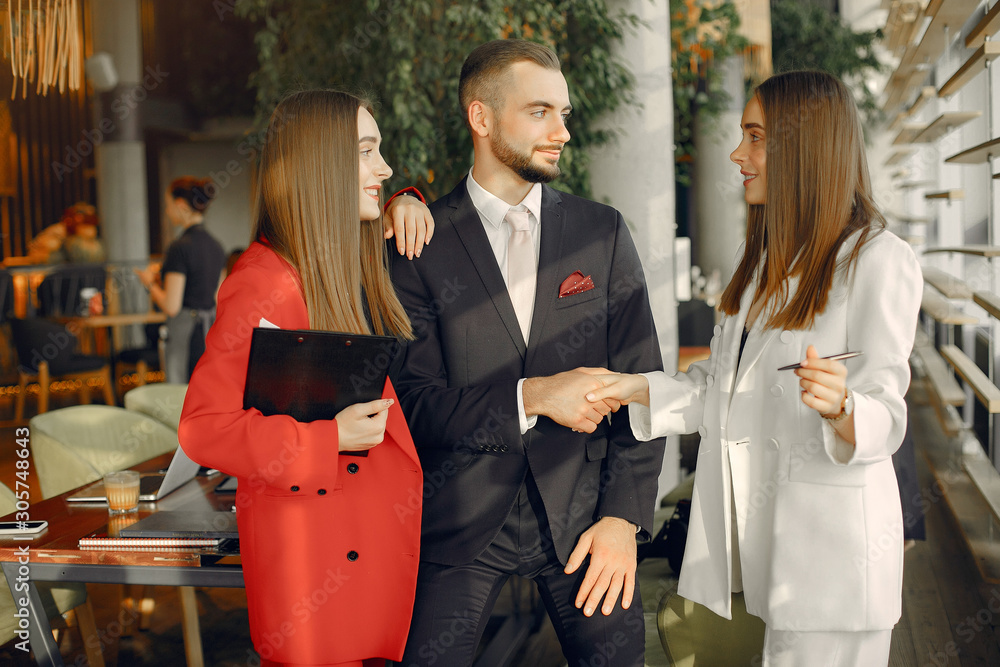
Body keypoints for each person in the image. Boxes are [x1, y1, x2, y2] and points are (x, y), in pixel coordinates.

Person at [585, 70, 921, 666]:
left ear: (805, 147)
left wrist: (844, 406)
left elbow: (888, 417)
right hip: (759, 546)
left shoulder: (878, 260)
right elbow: (719, 388)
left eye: (756, 137)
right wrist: (631, 388)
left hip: (831, 561)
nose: (737, 154)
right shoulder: (761, 259)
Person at [390, 39, 665, 666]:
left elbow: (644, 386)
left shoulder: (601, 231)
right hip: (458, 525)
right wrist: (533, 397)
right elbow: (413, 406)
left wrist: (623, 519)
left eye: (563, 113)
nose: (561, 132)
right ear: (481, 118)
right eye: (540, 112)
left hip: (585, 520)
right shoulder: (418, 241)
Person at [178, 90, 427, 667]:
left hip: (348, 549)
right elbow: (203, 428)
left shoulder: (334, 261)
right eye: (366, 151)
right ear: (320, 165)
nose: (386, 168)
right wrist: (328, 439)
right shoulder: (264, 282)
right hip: (314, 568)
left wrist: (409, 201)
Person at [135, 177, 226, 383]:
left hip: (186, 332)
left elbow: (171, 306)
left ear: (181, 205)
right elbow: (218, 297)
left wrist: (149, 283)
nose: (167, 212)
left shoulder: (179, 247)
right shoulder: (217, 246)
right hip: (211, 332)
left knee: (180, 393)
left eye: (168, 205)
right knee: (204, 389)